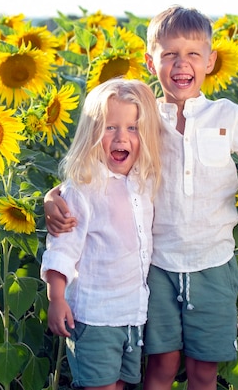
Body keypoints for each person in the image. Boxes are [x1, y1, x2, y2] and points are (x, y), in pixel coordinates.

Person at [45, 6, 238, 390]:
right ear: (151, 62)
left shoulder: (226, 116)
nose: (182, 64)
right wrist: (54, 196)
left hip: (213, 262)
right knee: (161, 366)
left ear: (211, 61)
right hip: (158, 267)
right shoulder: (145, 116)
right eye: (169, 55)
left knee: (203, 370)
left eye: (193, 54)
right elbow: (99, 159)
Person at [40, 78, 163, 390]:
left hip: (132, 314)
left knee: (121, 384)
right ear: (92, 133)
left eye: (132, 128)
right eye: (110, 127)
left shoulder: (143, 181)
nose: (121, 137)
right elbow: (62, 248)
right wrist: (56, 298)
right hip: (94, 316)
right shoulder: (83, 189)